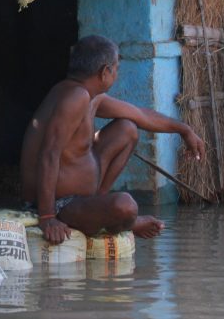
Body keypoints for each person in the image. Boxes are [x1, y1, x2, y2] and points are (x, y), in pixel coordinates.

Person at [19, 35, 205, 244]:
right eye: (116, 69)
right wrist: (47, 217)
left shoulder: (90, 96)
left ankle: (102, 206)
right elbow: (49, 154)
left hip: (82, 197)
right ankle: (123, 220)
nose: (116, 74)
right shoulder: (74, 96)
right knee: (126, 206)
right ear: (104, 72)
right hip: (59, 204)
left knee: (127, 128)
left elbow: (139, 115)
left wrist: (184, 130)